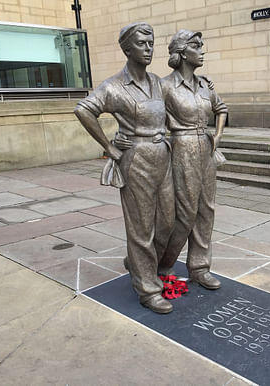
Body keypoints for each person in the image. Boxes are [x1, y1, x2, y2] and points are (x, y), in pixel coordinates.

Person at [74, 22, 175, 314]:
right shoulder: (114, 86)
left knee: (167, 222)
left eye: (151, 43)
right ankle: (147, 288)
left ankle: (137, 263)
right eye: (142, 43)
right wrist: (108, 146)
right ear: (127, 48)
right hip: (137, 160)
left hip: (162, 156)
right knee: (141, 227)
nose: (148, 48)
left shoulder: (157, 82)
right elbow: (84, 109)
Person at [157, 30, 228, 289]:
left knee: (206, 210)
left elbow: (221, 109)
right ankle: (162, 263)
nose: (202, 51)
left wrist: (217, 136)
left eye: (202, 46)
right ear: (183, 52)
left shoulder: (204, 85)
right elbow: (149, 117)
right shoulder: (164, 86)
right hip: (181, 148)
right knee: (184, 214)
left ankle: (199, 267)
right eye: (197, 46)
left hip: (206, 150)